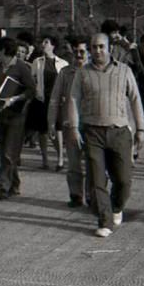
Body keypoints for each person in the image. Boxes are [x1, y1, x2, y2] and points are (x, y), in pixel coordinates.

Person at [68, 32, 144, 238]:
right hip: (93, 132)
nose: (97, 51)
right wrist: (75, 127)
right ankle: (105, 220)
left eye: (101, 47)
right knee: (97, 180)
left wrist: (141, 129)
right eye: (94, 47)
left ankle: (116, 207)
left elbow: (136, 100)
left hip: (119, 132)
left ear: (109, 48)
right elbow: (74, 99)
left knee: (123, 180)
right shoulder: (83, 73)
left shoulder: (124, 71)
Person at [0, 38, 35, 200]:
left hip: (16, 116)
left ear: (4, 50)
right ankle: (14, 183)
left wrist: (14, 99)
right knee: (5, 152)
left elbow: (31, 90)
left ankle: (2, 187)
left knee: (9, 152)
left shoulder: (21, 68)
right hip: (0, 115)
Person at [50, 36, 91, 209]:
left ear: (88, 52)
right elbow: (54, 98)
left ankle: (92, 196)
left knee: (92, 164)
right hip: (70, 124)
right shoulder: (65, 73)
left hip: (90, 124)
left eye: (82, 51)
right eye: (76, 52)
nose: (79, 55)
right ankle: (76, 195)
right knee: (73, 164)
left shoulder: (94, 71)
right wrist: (51, 122)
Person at [30, 34, 68, 171]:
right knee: (42, 131)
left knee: (57, 129)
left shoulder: (63, 63)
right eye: (42, 42)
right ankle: (45, 159)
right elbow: (33, 78)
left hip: (56, 101)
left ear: (53, 45)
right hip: (41, 99)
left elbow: (66, 83)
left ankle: (60, 159)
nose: (43, 44)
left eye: (46, 42)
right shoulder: (37, 62)